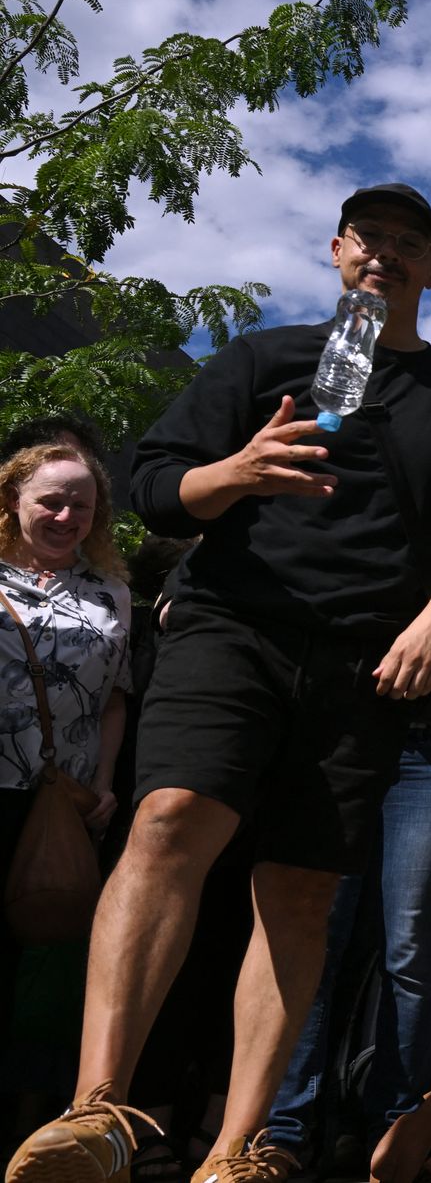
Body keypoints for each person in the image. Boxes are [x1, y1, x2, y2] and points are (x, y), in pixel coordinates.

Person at [7, 183, 431, 1183]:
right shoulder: (264, 359)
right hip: (230, 626)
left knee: (299, 891)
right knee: (168, 820)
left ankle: (240, 1148)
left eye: (410, 244)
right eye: (370, 240)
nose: (387, 256)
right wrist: (237, 470)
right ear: (337, 252)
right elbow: (157, 488)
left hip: (365, 663)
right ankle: (95, 1112)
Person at [266, 575, 431, 1167]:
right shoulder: (370, 536)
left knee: (409, 945)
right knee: (318, 939)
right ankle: (286, 1131)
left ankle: (393, 1124)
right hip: (341, 745)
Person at [0, 444, 131, 1120]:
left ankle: (29, 1123)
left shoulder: (110, 590)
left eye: (81, 504)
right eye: (50, 499)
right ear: (14, 499)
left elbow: (116, 696)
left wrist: (104, 780)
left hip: (61, 799)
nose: (65, 514)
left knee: (48, 958)